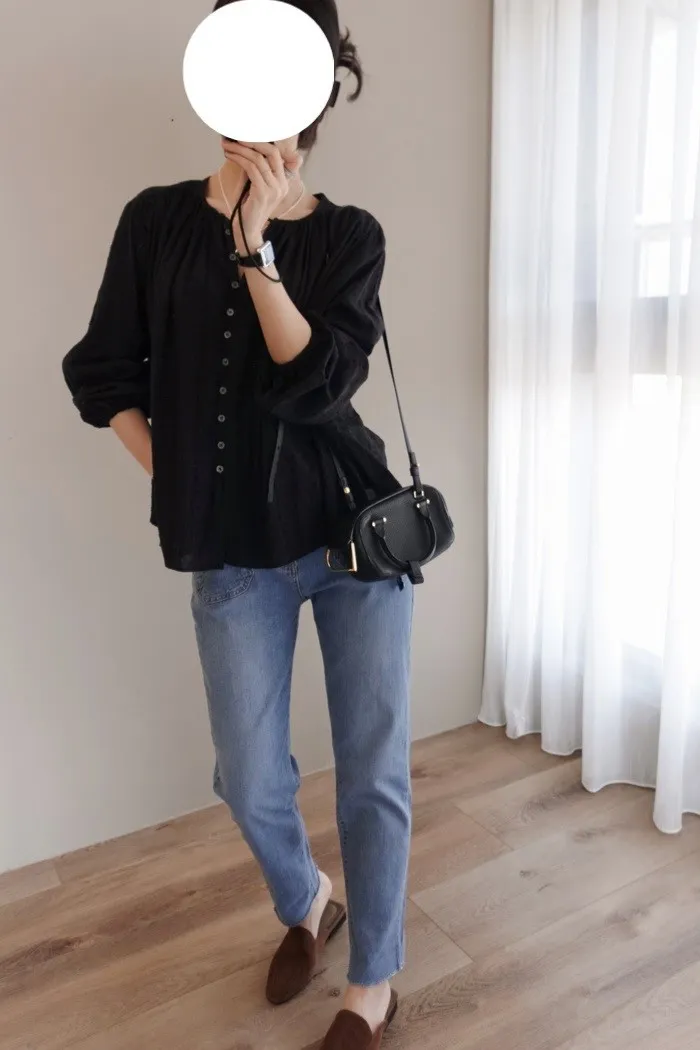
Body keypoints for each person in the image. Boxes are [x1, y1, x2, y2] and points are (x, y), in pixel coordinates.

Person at [62, 1, 412, 1046]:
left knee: (372, 770)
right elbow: (103, 374)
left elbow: (317, 384)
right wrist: (177, 479)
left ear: (316, 92)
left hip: (353, 538)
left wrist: (257, 251)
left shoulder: (349, 236)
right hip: (233, 557)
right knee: (248, 777)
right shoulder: (155, 222)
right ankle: (308, 899)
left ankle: (374, 979)